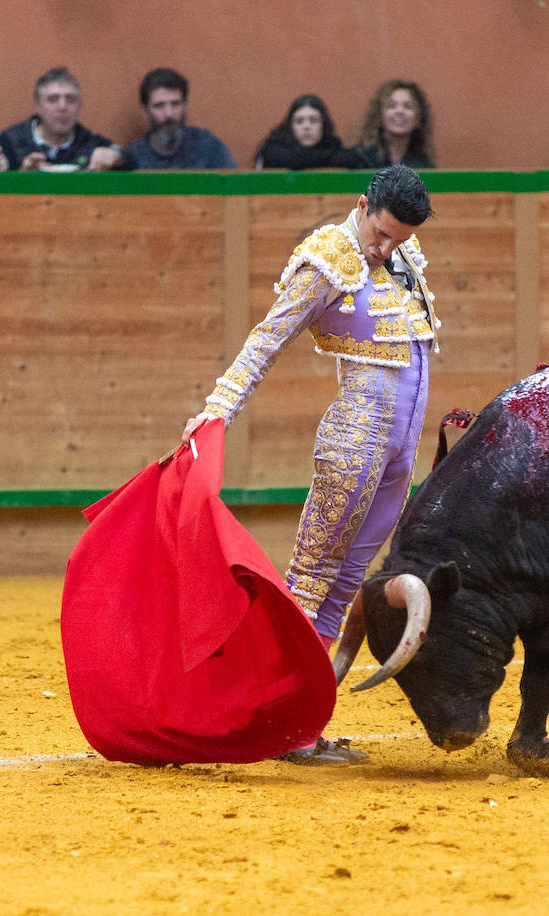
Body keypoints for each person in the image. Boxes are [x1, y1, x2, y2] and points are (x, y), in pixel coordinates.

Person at [167, 165, 436, 765]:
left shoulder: (402, 256)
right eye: (383, 233)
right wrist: (216, 411)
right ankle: (274, 717)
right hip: (356, 438)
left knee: (344, 585)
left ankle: (302, 727)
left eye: (400, 238)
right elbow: (267, 339)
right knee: (311, 581)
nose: (387, 247)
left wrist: (394, 250)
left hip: (399, 447)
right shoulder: (327, 259)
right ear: (362, 205)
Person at [0, 67, 123, 172]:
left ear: (80, 106)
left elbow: (129, 157)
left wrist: (117, 156)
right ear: (37, 106)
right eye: (53, 99)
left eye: (70, 99)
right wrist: (21, 177)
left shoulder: (90, 143)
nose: (62, 107)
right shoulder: (10, 142)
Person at [123, 68, 237, 169]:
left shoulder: (208, 147)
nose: (168, 114)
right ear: (145, 111)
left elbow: (234, 188)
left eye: (175, 104)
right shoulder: (133, 158)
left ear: (185, 106)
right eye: (159, 106)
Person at [345, 80, 435, 169]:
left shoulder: (425, 165)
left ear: (419, 117)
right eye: (391, 105)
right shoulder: (361, 158)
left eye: (408, 106)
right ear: (379, 115)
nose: (400, 111)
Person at [254, 94, 346, 169]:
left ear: (324, 125)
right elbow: (296, 159)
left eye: (314, 120)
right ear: (291, 126)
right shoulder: (272, 148)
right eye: (299, 121)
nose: (306, 126)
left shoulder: (333, 145)